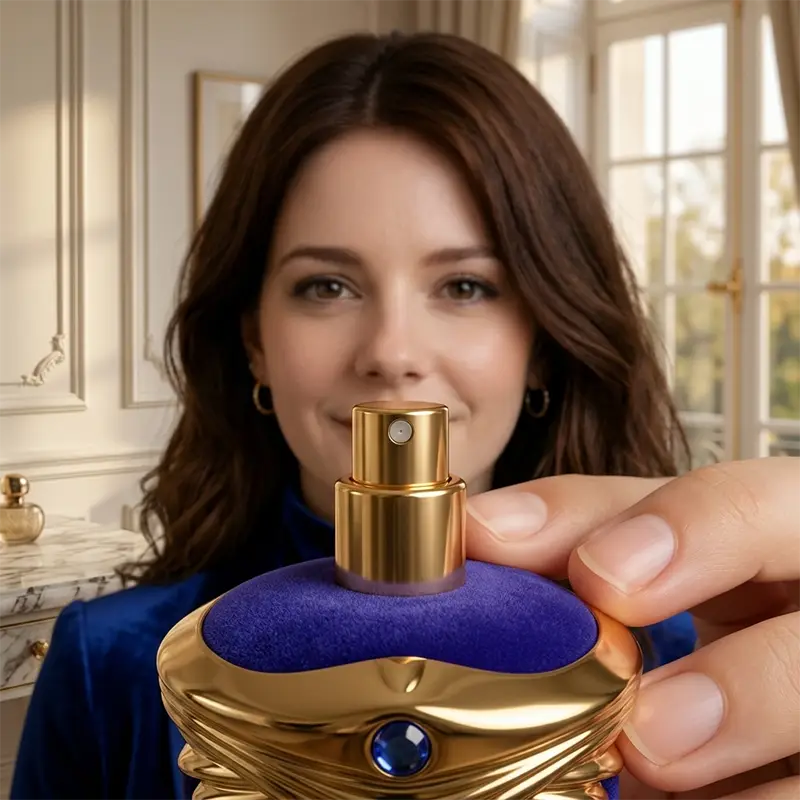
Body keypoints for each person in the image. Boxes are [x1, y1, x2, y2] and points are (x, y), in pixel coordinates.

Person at [11, 30, 798, 800]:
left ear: (546, 343)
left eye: (464, 287)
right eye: (327, 286)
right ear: (254, 340)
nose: (391, 352)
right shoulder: (107, 662)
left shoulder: (690, 658)